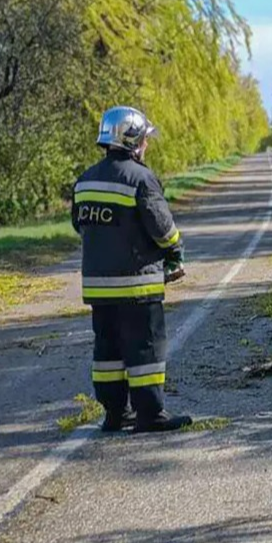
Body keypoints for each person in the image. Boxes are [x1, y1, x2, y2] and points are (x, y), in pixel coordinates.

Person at [72, 106, 191, 432]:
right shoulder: (141, 178)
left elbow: (78, 225)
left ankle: (114, 413)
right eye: (145, 140)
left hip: (99, 289)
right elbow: (162, 228)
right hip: (136, 288)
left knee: (107, 352)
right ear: (134, 141)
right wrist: (174, 253)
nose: (147, 145)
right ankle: (150, 414)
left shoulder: (84, 182)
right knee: (145, 350)